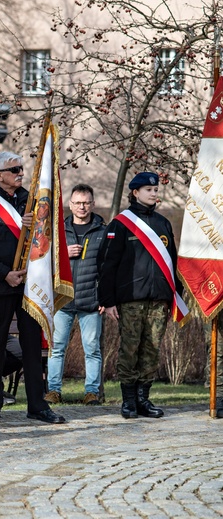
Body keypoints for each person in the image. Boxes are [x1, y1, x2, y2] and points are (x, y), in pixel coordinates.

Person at [0, 151, 65, 424]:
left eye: (21, 168)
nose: (20, 173)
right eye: (14, 170)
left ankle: (37, 405)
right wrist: (5, 274)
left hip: (30, 285)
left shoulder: (31, 201)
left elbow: (46, 241)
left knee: (33, 345)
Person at [98, 172, 182, 419]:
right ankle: (129, 401)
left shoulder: (163, 223)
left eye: (156, 190)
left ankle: (144, 399)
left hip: (158, 298)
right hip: (131, 298)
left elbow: (172, 261)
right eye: (149, 190)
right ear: (135, 192)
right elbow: (107, 264)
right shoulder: (121, 224)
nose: (154, 193)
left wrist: (174, 295)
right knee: (130, 349)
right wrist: (108, 301)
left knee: (152, 350)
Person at [45, 183, 106, 406]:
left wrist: (105, 298)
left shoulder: (103, 230)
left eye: (86, 202)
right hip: (63, 300)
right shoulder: (58, 231)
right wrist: (62, 254)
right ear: (70, 204)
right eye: (78, 202)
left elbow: (108, 269)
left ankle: (91, 392)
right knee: (57, 348)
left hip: (91, 302)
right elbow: (43, 263)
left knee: (92, 350)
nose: (82, 207)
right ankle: (53, 391)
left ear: (93, 204)